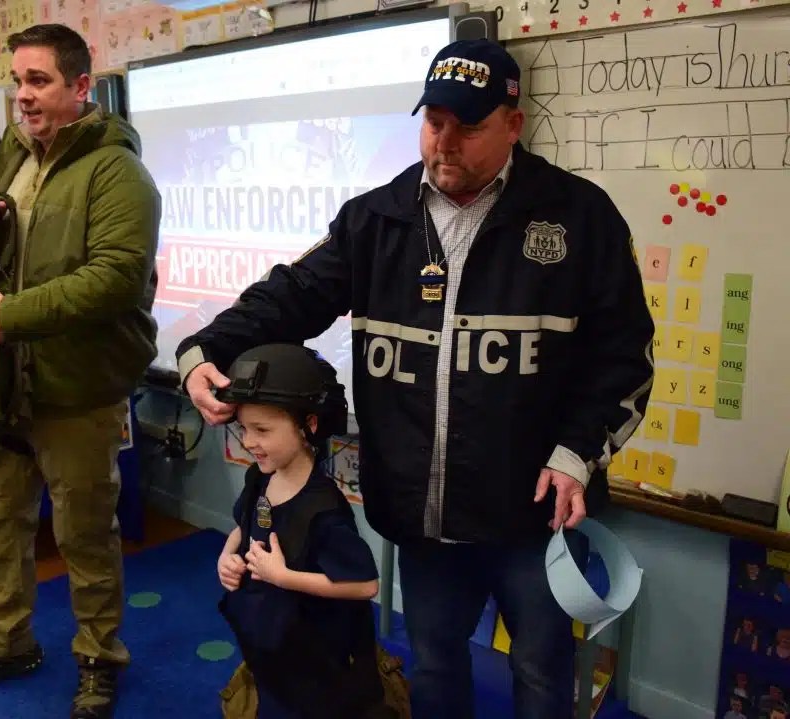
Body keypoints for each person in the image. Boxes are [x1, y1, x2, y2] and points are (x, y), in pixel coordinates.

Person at [178, 38, 654, 719]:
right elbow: (290, 296)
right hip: (422, 519)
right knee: (433, 664)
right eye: (434, 121)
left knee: (542, 672)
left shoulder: (580, 217)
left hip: (532, 517)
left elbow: (625, 355)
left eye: (470, 126)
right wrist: (202, 350)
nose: (445, 143)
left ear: (514, 125)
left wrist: (579, 451)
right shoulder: (375, 218)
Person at [0, 23, 160, 719]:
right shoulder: (12, 155)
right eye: (16, 81)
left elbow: (116, 279)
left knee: (85, 530)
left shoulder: (118, 171)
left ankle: (98, 656)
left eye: (38, 81)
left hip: (77, 384)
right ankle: (9, 640)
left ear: (80, 87)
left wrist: (13, 317)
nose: (22, 96)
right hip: (3, 379)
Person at [214, 343, 396, 719]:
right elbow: (242, 526)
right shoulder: (259, 478)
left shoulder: (325, 511)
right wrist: (227, 555)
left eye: (262, 430)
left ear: (308, 425)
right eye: (245, 429)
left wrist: (282, 577)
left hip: (321, 670)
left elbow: (365, 586)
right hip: (273, 649)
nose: (249, 442)